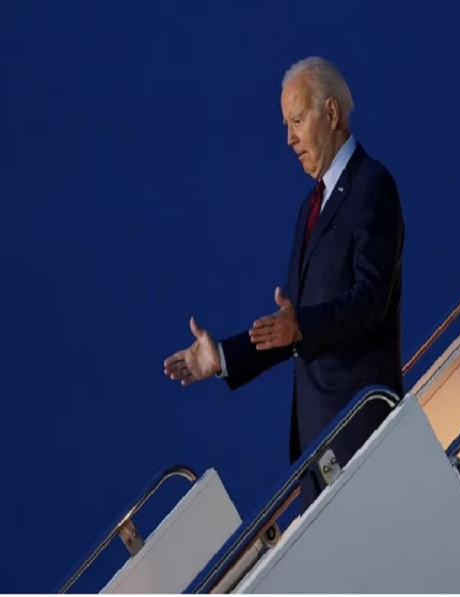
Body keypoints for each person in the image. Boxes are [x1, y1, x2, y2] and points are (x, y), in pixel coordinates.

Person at [162, 57, 405, 513]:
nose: (288, 138)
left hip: (358, 433)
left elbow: (371, 301)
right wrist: (222, 357)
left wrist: (299, 327)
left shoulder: (374, 186)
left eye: (296, 121)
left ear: (330, 114)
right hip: (317, 450)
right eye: (285, 124)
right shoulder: (308, 208)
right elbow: (292, 325)